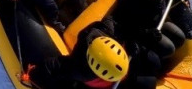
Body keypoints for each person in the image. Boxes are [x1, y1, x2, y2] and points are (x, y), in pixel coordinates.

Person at [27, 17, 161, 89]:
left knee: (150, 81)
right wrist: (32, 75)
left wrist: (133, 40)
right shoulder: (80, 69)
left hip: (118, 72)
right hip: (96, 84)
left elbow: (114, 21)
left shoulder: (109, 32)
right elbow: (52, 66)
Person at [110, 0, 189, 61]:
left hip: (153, 24)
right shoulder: (130, 0)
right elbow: (126, 26)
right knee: (168, 49)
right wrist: (147, 34)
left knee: (179, 38)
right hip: (138, 33)